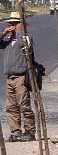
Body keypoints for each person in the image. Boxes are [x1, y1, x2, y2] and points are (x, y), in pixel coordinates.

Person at [0, 12, 35, 142]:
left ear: (20, 24)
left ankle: (30, 131)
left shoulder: (26, 37)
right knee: (11, 107)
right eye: (10, 23)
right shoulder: (9, 39)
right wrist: (4, 33)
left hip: (21, 77)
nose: (11, 26)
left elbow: (26, 46)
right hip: (10, 78)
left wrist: (19, 31)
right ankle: (15, 132)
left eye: (14, 23)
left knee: (24, 106)